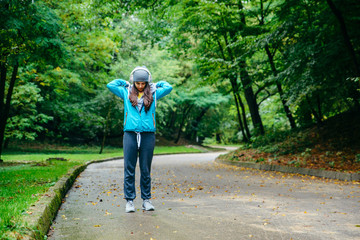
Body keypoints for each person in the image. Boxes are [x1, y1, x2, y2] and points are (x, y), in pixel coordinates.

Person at [107, 66, 172, 213]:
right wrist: (125, 83)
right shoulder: (126, 91)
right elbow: (110, 85)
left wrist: (156, 84)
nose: (141, 86)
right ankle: (129, 201)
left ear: (148, 82)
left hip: (148, 135)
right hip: (130, 134)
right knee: (129, 169)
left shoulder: (154, 93)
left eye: (143, 83)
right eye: (138, 83)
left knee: (145, 169)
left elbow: (169, 87)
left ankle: (146, 200)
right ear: (133, 81)